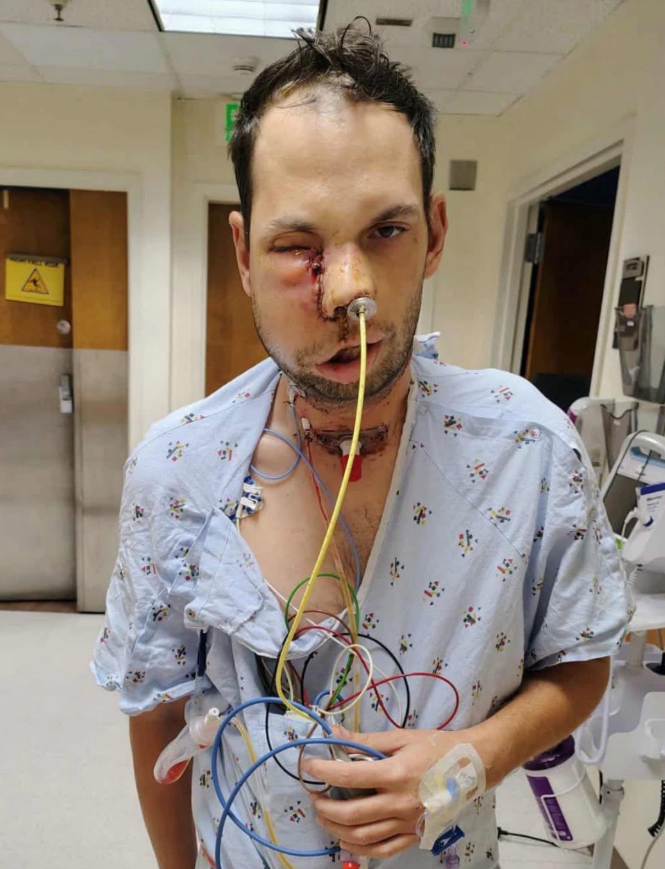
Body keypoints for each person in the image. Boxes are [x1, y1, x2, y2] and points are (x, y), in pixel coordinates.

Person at [92, 23, 630, 869]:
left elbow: (580, 661)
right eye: (296, 246)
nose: (347, 291)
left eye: (384, 231)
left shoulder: (526, 450)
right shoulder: (178, 471)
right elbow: (157, 714)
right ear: (242, 253)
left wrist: (472, 758)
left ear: (435, 234)